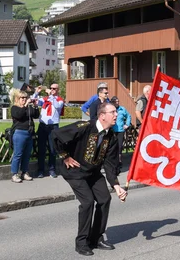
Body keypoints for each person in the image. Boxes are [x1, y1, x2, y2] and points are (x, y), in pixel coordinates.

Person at [52, 102, 127, 257]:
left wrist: (116, 186)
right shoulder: (85, 127)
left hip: (92, 172)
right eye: (112, 112)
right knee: (87, 202)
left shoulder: (111, 136)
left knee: (104, 199)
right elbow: (56, 136)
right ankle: (81, 242)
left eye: (116, 112)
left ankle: (96, 238)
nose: (116, 115)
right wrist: (65, 157)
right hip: (75, 171)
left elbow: (109, 164)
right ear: (102, 115)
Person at [32, 84, 65, 178]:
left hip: (53, 126)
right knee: (41, 149)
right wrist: (36, 93)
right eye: (51, 88)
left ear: (58, 89)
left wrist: (52, 96)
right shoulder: (45, 99)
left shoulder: (59, 100)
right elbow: (35, 102)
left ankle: (52, 170)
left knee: (52, 150)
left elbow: (57, 106)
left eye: (54, 88)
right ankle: (41, 170)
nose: (52, 89)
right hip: (43, 126)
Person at [10, 89, 40, 183]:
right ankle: (14, 174)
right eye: (22, 98)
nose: (24, 99)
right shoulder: (15, 108)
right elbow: (19, 115)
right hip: (19, 133)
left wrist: (35, 106)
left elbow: (36, 115)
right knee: (18, 154)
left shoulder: (28, 108)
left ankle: (24, 172)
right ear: (17, 99)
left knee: (27, 155)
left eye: (25, 97)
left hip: (29, 133)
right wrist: (26, 105)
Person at [110, 96, 131, 172]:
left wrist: (127, 124)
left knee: (119, 146)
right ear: (112, 102)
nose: (117, 103)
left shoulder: (122, 109)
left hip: (120, 130)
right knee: (112, 147)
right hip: (112, 130)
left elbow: (128, 116)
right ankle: (112, 162)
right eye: (116, 102)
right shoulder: (111, 109)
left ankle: (119, 161)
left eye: (118, 101)